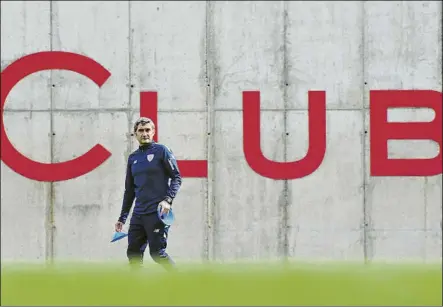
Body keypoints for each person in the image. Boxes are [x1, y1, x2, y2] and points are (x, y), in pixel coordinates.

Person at [115, 117, 182, 270]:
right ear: (135, 134)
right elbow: (129, 190)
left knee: (157, 253)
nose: (144, 133)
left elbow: (177, 177)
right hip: (138, 214)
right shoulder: (133, 158)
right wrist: (122, 218)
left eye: (147, 130)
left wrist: (168, 200)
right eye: (141, 130)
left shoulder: (162, 151)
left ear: (153, 132)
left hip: (157, 213)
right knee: (133, 254)